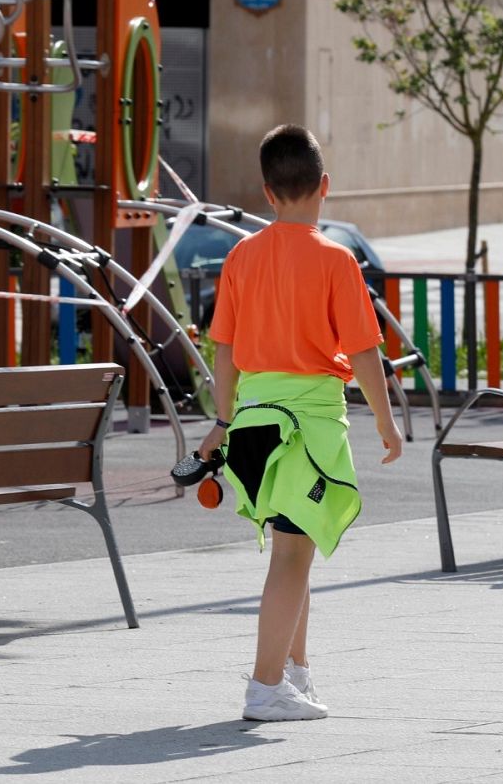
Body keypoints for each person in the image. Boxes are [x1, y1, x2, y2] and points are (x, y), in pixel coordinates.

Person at [199, 124, 403, 722]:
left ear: (267, 191)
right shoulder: (336, 259)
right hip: (309, 425)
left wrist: (222, 418)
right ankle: (265, 689)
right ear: (325, 187)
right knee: (293, 555)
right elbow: (364, 352)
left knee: (294, 547)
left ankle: (294, 675)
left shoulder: (241, 256)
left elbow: (225, 350)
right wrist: (387, 425)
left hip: (256, 425)